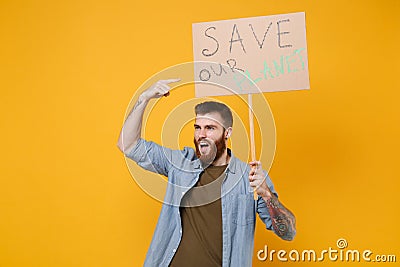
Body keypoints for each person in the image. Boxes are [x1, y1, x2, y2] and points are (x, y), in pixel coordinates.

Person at [117, 79, 296, 267]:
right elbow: (128, 145)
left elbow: (288, 232)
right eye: (197, 127)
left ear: (227, 133)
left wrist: (266, 194)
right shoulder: (180, 163)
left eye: (210, 128)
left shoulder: (250, 178)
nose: (201, 134)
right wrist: (144, 98)